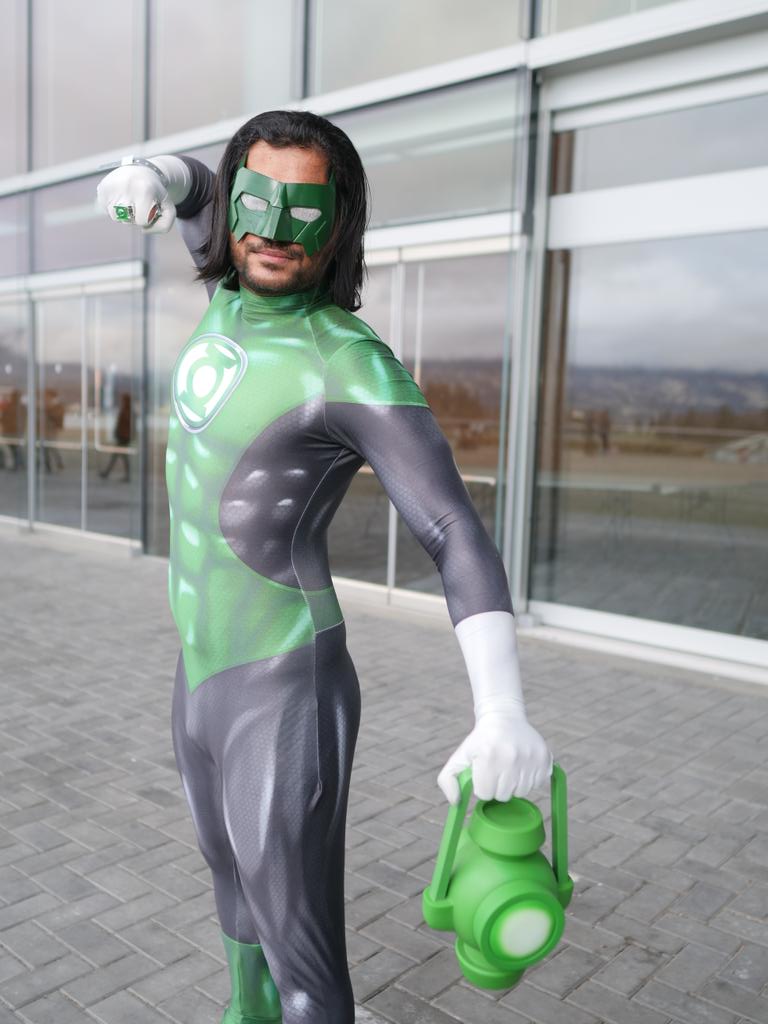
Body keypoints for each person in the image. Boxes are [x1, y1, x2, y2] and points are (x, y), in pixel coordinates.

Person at [96, 110, 552, 1024]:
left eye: (304, 211)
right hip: (200, 670)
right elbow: (192, 188)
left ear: (338, 225)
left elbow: (452, 529)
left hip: (284, 688)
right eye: (255, 202)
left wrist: (502, 710)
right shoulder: (232, 286)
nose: (271, 229)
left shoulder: (347, 362)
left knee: (300, 938)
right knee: (228, 873)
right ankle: (244, 1013)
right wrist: (148, 170)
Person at [99, 393, 132, 481]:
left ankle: (108, 473)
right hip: (122, 436)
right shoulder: (126, 410)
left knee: (119, 456)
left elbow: (126, 425)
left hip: (124, 437)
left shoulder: (127, 411)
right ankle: (108, 473)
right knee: (120, 456)